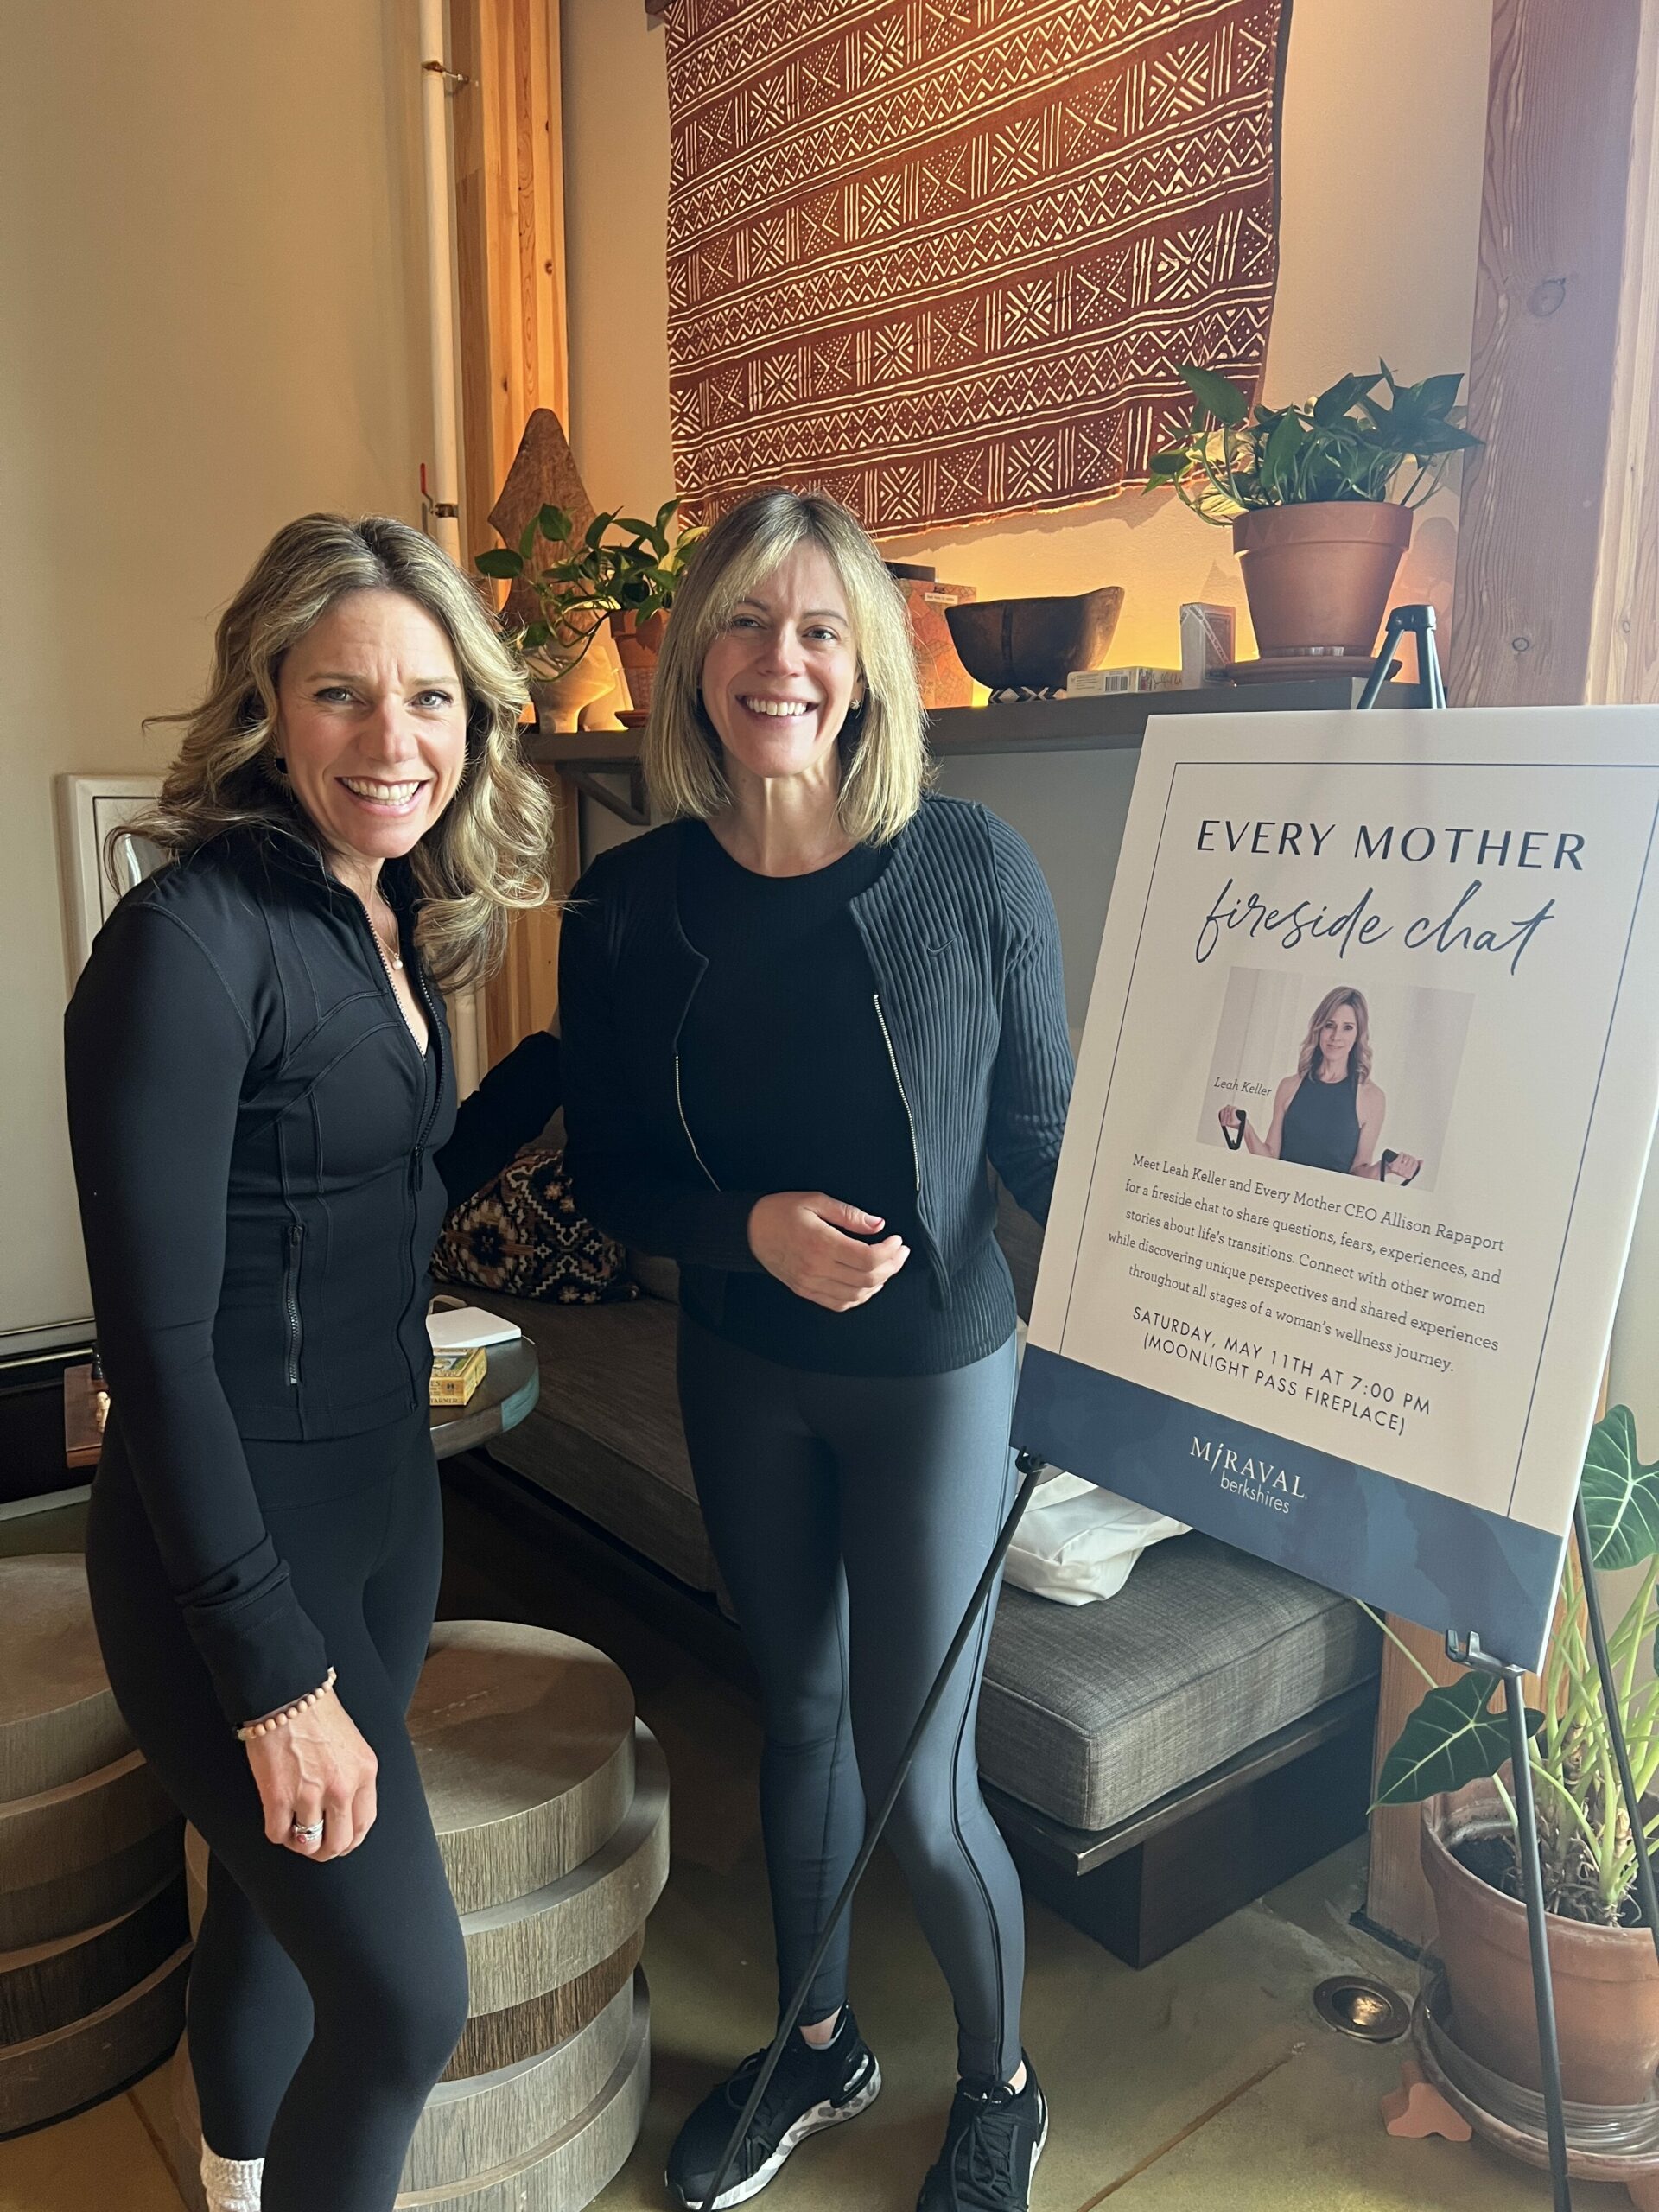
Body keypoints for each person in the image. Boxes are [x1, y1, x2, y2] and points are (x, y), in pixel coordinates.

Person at [558, 488, 1074, 2212]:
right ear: (695, 654)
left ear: (867, 668)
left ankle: (1001, 2086)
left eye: (819, 629)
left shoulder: (973, 866)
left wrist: (1152, 1312)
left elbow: (1042, 1140)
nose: (779, 660)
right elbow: (610, 1170)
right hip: (741, 1367)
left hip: (936, 1379)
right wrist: (748, 1229)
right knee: (795, 1717)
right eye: (745, 621)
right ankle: (816, 2040)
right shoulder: (626, 903)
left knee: (923, 1786)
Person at [63, 515, 563, 2212]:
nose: (393, 738)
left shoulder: (388, 910)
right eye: (343, 692)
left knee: (279, 1912)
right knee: (405, 1998)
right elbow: (155, 1352)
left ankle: (234, 2182)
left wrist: (561, 1063)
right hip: (227, 1554)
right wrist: (274, 1679)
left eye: (430, 697)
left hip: (381, 1509)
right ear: (267, 700)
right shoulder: (189, 945)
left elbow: (383, 1180)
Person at [1219, 985, 1421, 1180]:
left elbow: (1358, 1173)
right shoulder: (1289, 1086)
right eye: (1329, 1025)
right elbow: (1271, 1158)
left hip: (1327, 1200)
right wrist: (1245, 1128)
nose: (1335, 1037)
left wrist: (1386, 1168)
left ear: (1357, 1035)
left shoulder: (1372, 1097)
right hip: (1279, 1194)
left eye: (1347, 1028)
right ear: (1319, 1029)